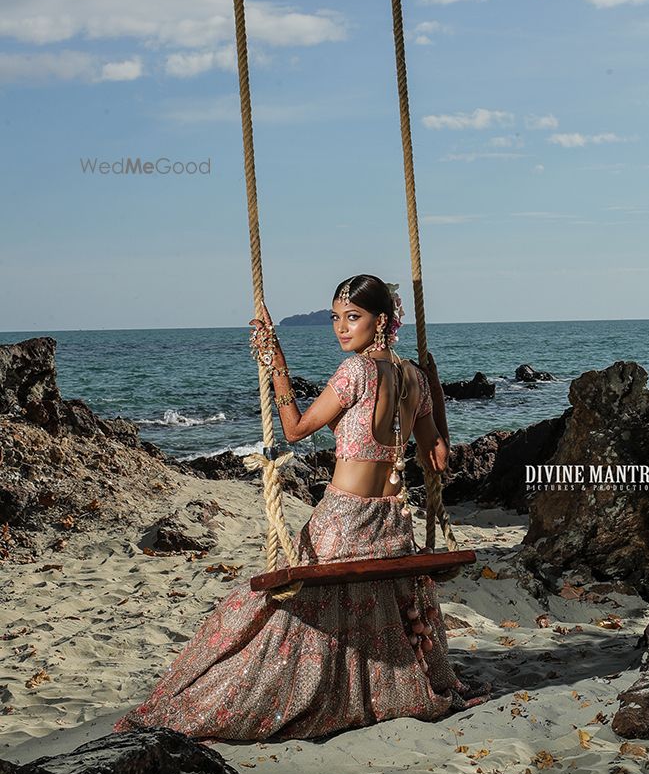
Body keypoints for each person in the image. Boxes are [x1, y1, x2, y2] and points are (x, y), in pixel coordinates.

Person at [113, 273, 488, 743]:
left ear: (382, 320)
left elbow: (293, 430)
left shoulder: (354, 373)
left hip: (345, 521)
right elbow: (436, 457)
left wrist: (277, 365)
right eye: (336, 317)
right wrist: (431, 384)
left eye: (353, 317)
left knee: (283, 610)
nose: (341, 328)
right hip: (393, 521)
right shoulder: (413, 376)